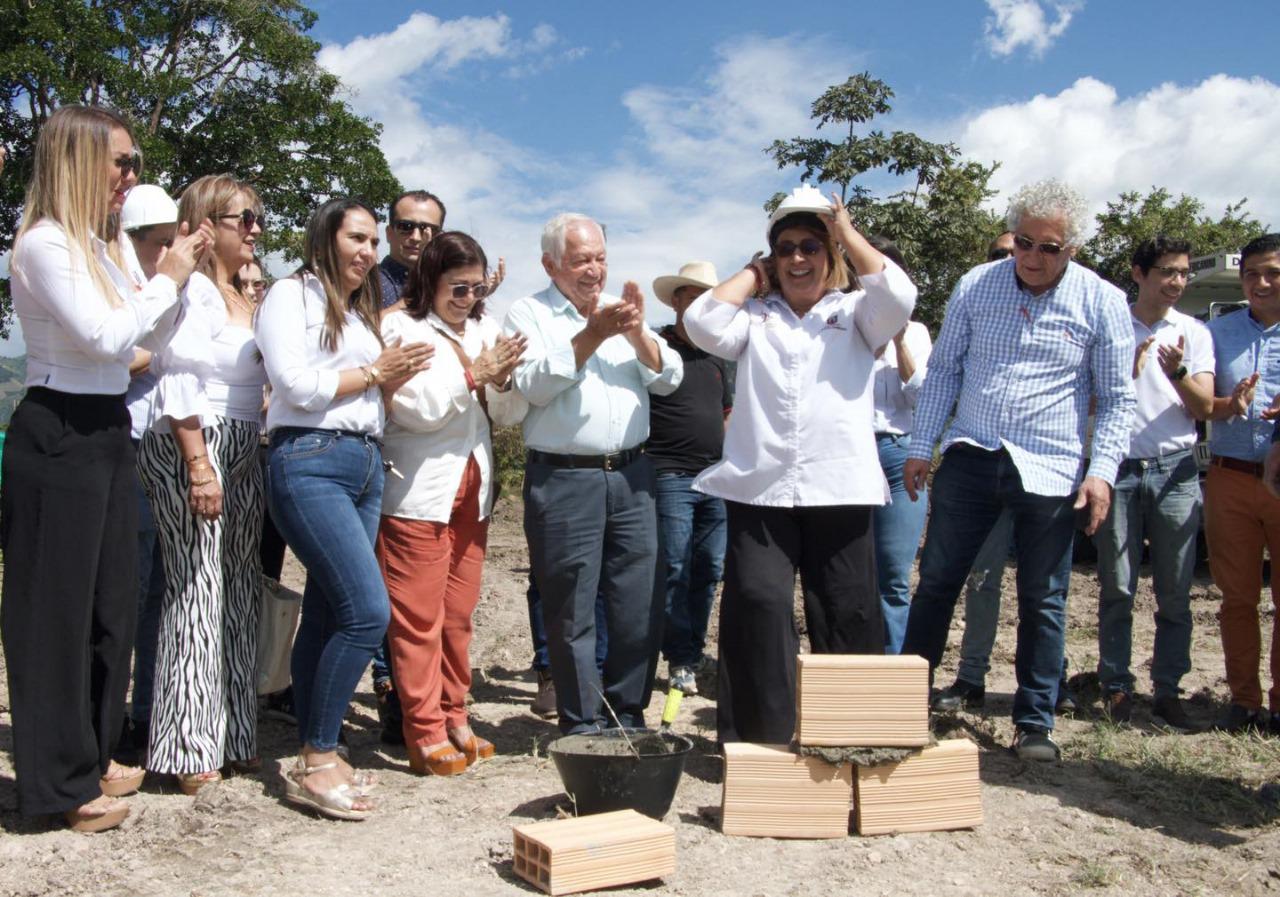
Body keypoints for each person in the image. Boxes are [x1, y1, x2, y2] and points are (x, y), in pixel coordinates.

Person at [1, 105, 211, 832]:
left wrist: (175, 281)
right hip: (57, 427)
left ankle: (88, 755)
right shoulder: (44, 242)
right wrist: (167, 279)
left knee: (109, 608)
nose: (131, 175)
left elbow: (146, 337)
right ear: (79, 158)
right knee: (54, 614)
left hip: (105, 428)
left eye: (134, 163)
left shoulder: (100, 246)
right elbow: (103, 337)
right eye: (122, 161)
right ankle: (55, 785)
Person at [901, 179, 1135, 762]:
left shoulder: (1102, 301)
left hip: (1050, 468)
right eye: (1023, 242)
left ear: (1072, 248)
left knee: (1044, 597)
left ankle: (1034, 722)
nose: (1030, 257)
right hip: (972, 454)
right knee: (936, 582)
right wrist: (921, 444)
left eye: (1047, 248)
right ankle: (903, 706)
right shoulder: (976, 285)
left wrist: (1101, 471)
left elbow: (1116, 398)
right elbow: (945, 371)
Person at [683, 187, 917, 744]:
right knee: (757, 605)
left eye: (810, 246)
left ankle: (851, 741)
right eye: (785, 248)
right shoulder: (753, 318)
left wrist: (846, 233)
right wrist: (754, 273)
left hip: (839, 487)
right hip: (760, 489)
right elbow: (700, 321)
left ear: (830, 253)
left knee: (846, 611)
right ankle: (761, 743)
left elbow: (899, 296)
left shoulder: (856, 313)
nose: (797, 259)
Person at [255, 197, 433, 819]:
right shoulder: (290, 296)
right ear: (324, 238)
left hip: (364, 462)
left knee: (331, 613)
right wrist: (375, 372)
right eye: (357, 238)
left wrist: (391, 376)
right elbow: (294, 385)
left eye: (373, 242)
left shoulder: (358, 315)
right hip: (309, 458)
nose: (369, 251)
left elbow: (367, 389)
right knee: (367, 612)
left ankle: (316, 742)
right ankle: (318, 756)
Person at [504, 212, 683, 735]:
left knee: (637, 601)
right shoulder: (528, 312)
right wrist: (591, 336)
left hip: (632, 475)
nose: (594, 270)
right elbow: (532, 386)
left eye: (600, 258)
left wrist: (637, 334)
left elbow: (668, 377)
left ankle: (627, 712)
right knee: (571, 605)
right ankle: (582, 721)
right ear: (550, 264)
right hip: (564, 479)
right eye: (581, 259)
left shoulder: (619, 311)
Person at [136, 174, 269, 792]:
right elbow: (177, 378)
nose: (256, 230)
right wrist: (197, 464)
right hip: (198, 440)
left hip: (243, 443)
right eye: (245, 219)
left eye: (257, 218)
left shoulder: (243, 294)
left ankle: (234, 731)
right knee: (196, 587)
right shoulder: (194, 291)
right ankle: (186, 745)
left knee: (239, 587)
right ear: (208, 224)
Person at [377, 231, 528, 775]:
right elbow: (412, 412)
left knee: (459, 616)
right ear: (430, 281)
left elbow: (507, 416)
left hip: (474, 488)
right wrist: (473, 375)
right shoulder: (401, 329)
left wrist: (503, 383)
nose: (467, 298)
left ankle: (454, 714)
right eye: (456, 288)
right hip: (418, 490)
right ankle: (423, 729)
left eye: (476, 288)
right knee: (418, 618)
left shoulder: (487, 328)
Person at [1091, 236, 1212, 731]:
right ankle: (1116, 687)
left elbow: (1204, 407)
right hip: (1117, 468)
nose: (1177, 281)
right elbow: (1087, 399)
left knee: (1175, 589)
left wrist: (1177, 371)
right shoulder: (1110, 326)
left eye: (1183, 272)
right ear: (1138, 273)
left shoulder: (1193, 331)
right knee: (1117, 586)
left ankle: (1168, 690)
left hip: (1175, 470)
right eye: (1166, 271)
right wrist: (1128, 370)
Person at [115, 184, 182, 764]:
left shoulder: (169, 287)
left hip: (171, 444)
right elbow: (116, 354)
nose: (165, 255)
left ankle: (146, 712)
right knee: (131, 587)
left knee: (161, 587)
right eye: (156, 243)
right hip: (130, 441)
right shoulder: (120, 286)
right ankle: (112, 715)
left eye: (170, 242)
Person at [1208, 233, 1280, 735]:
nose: (1261, 283)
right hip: (1229, 477)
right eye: (1252, 273)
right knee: (1237, 597)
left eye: (1273, 273)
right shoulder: (1216, 332)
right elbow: (1194, 395)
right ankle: (1243, 700)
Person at [648, 260, 732, 694]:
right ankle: (679, 657)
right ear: (676, 300)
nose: (699, 304)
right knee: (675, 567)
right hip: (669, 474)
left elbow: (727, 413)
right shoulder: (656, 346)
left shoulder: (718, 355)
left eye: (707, 297)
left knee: (709, 568)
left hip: (715, 479)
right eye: (692, 295)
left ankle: (693, 653)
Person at [865, 237, 932, 654]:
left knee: (893, 576)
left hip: (899, 455)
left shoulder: (918, 332)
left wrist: (899, 340)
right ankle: (851, 668)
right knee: (852, 574)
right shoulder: (842, 325)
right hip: (851, 455)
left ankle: (892, 671)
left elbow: (922, 397)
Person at [378, 189, 446, 309]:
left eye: (428, 230)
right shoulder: (364, 282)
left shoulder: (449, 287)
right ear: (389, 233)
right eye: (405, 227)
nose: (416, 237)